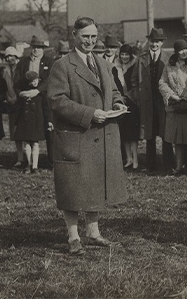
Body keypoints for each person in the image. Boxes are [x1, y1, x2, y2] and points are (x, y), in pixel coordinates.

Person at [47, 17, 127, 255]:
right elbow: (57, 100)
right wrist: (90, 113)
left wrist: (119, 103)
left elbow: (112, 91)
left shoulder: (102, 63)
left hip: (101, 136)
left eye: (94, 36)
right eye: (85, 37)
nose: (90, 41)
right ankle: (73, 236)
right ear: (74, 35)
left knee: (95, 184)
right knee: (72, 188)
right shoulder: (62, 65)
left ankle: (93, 232)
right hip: (77, 135)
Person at [129, 27, 174, 173]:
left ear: (161, 43)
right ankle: (151, 166)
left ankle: (168, 165)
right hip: (147, 102)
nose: (154, 44)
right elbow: (134, 80)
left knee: (166, 134)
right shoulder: (141, 58)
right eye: (152, 42)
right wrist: (138, 96)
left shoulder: (168, 57)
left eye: (157, 42)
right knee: (150, 135)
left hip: (162, 101)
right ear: (149, 42)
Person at [159, 39, 187, 175]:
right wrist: (172, 96)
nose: (183, 52)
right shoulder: (169, 66)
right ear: (176, 51)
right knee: (177, 139)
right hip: (175, 107)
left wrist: (186, 97)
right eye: (180, 50)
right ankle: (178, 167)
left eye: (186, 49)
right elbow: (162, 83)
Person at [14, 35, 54, 168]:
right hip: (27, 101)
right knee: (28, 132)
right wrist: (21, 93)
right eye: (34, 47)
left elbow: (51, 80)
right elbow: (17, 81)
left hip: (44, 99)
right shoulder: (23, 62)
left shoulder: (49, 62)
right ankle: (28, 161)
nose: (36, 50)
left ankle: (51, 160)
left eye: (39, 47)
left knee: (48, 129)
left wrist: (38, 91)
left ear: (43, 49)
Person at [14, 70, 52, 174]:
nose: (35, 83)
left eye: (36, 80)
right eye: (32, 81)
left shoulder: (41, 94)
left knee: (35, 143)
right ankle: (28, 164)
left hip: (37, 121)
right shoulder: (24, 94)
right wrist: (17, 121)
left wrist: (49, 121)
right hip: (25, 121)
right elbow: (18, 108)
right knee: (27, 143)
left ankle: (35, 166)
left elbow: (46, 108)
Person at [115, 44, 140, 170]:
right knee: (124, 132)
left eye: (126, 54)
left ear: (131, 55)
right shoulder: (116, 67)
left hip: (132, 101)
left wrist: (129, 96)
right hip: (121, 102)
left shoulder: (135, 65)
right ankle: (128, 159)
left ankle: (136, 159)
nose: (124, 57)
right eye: (122, 54)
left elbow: (136, 84)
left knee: (133, 133)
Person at [0, 46, 23, 167]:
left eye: (11, 56)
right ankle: (20, 157)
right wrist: (8, 98)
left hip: (22, 103)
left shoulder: (22, 67)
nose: (9, 58)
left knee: (25, 131)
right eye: (7, 56)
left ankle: (28, 157)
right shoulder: (5, 71)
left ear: (16, 56)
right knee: (15, 132)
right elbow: (4, 87)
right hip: (11, 104)